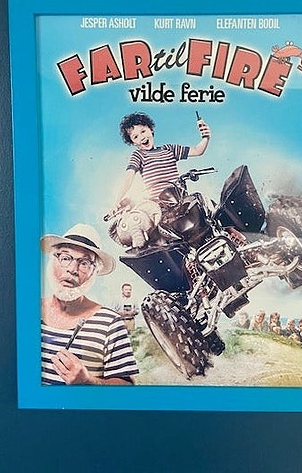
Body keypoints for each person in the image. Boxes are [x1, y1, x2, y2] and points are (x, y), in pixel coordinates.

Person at [40, 223, 139, 385]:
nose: (73, 269)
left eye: (84, 263)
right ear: (53, 260)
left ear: (95, 272)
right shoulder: (28, 312)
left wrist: (87, 381)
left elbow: (127, 386)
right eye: (65, 258)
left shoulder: (111, 322)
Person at [113, 111, 211, 209]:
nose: (142, 137)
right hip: (158, 206)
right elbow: (128, 178)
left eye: (143, 131)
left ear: (151, 129)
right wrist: (117, 202)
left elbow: (197, 151)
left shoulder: (169, 149)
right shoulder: (139, 155)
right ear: (133, 143)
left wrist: (205, 137)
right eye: (135, 137)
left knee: (199, 201)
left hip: (179, 199)